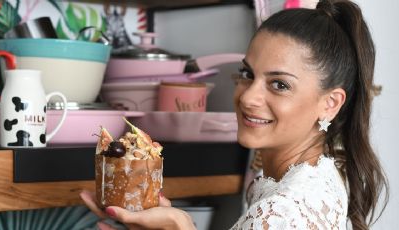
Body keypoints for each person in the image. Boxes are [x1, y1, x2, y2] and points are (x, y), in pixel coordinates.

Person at [80, 0, 388, 229]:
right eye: (247, 73)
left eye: (279, 84)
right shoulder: (321, 175)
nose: (248, 96)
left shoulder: (280, 214)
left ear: (330, 103)